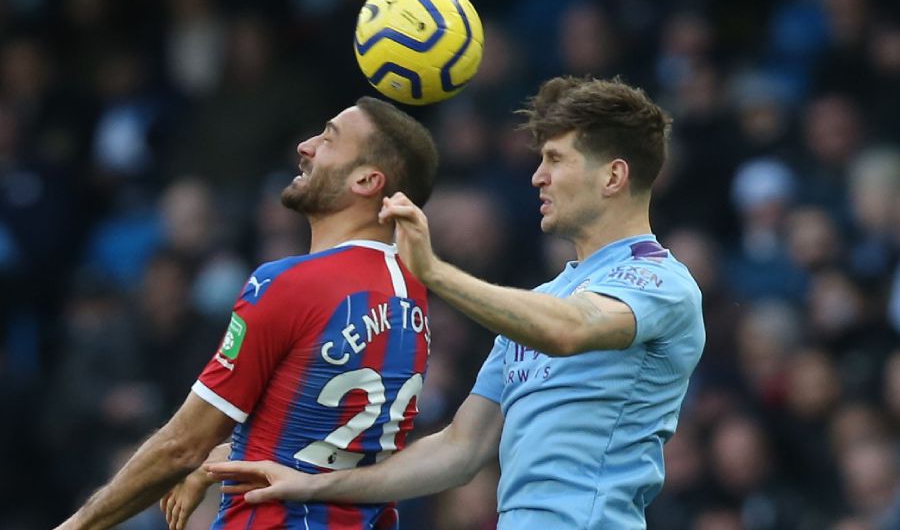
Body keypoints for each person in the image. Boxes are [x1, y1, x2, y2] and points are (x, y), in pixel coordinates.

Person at [206, 76, 707, 529]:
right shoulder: (539, 302)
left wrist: (435, 273)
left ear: (613, 177)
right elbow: (459, 449)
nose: (538, 177)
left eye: (555, 159)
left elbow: (570, 331)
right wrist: (310, 484)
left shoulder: (660, 281)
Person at [54, 96, 440, 530]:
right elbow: (320, 439)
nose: (305, 146)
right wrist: (219, 461)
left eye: (328, 139)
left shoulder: (290, 284)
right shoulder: (413, 297)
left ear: (367, 180)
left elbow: (183, 443)